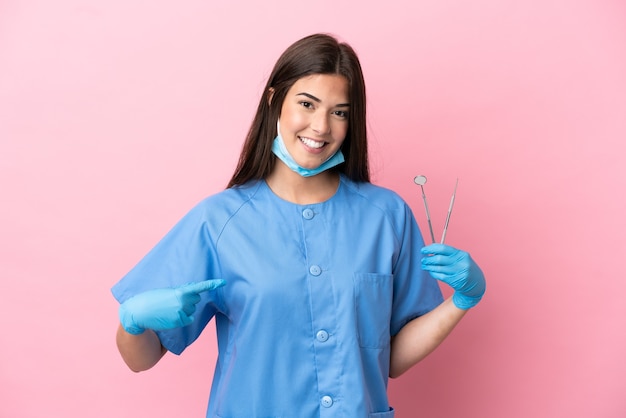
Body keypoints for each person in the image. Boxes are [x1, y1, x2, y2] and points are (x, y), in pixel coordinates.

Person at [112, 33, 486, 417]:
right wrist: (132, 321)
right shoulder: (219, 222)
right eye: (307, 104)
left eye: (339, 112)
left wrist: (462, 301)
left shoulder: (386, 216)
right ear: (274, 99)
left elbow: (390, 358)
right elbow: (141, 359)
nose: (321, 126)